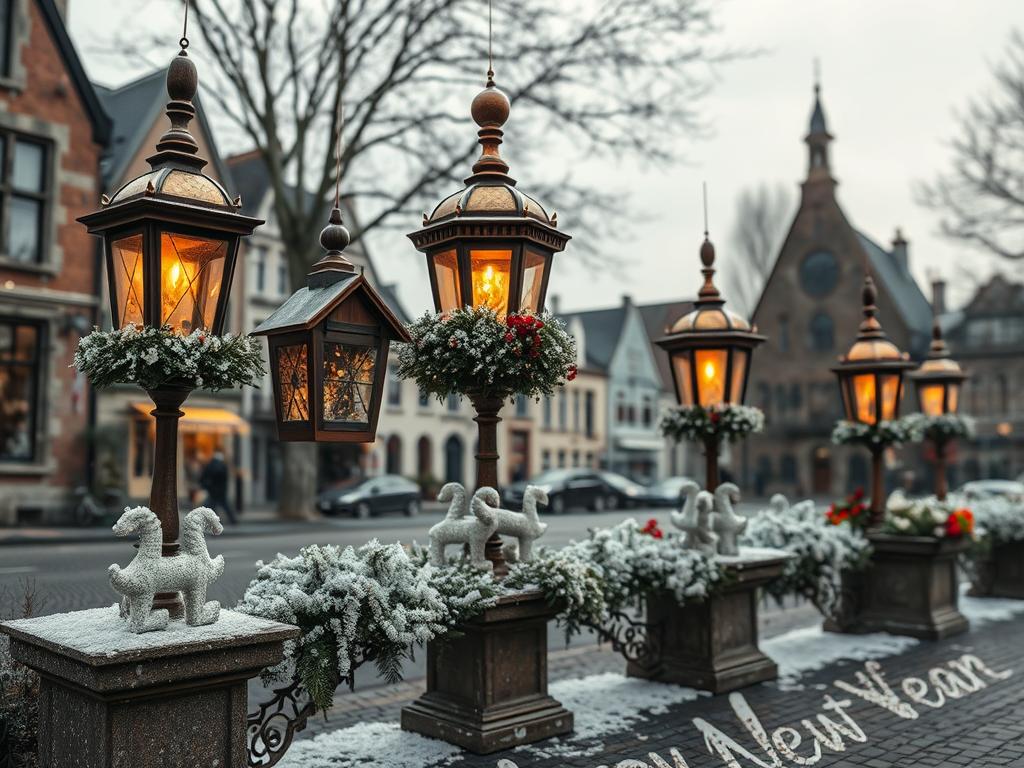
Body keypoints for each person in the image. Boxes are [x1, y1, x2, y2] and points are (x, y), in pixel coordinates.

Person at [199, 451, 237, 524]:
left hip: (213, 489)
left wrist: (205, 485)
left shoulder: (211, 465)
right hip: (220, 490)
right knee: (223, 505)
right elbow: (224, 479)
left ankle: (214, 521)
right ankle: (231, 520)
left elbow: (204, 476)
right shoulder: (223, 466)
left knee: (210, 505)